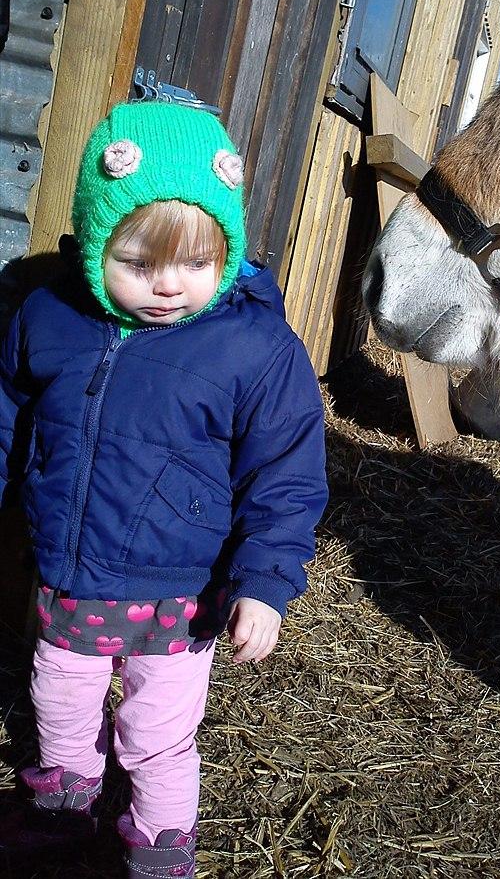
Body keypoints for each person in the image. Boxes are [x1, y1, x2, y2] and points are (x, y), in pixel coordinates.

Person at [0, 101, 329, 877]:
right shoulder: (50, 317)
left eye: (195, 264)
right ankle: (62, 806)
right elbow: (8, 416)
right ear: (96, 243)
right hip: (73, 574)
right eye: (139, 263)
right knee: (60, 702)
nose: (168, 287)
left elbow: (284, 474)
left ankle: (159, 842)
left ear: (227, 251)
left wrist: (265, 583)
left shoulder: (255, 347)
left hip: (183, 592)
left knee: (157, 733)